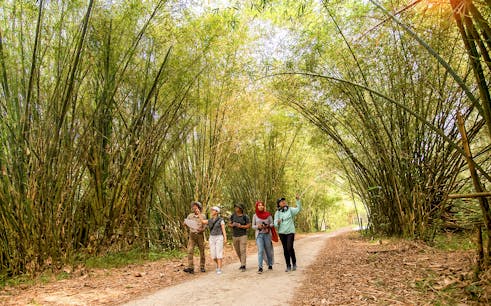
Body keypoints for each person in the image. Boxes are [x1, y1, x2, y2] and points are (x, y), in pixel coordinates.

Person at [274, 194, 302, 272]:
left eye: (284, 201)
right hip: (282, 233)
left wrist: (298, 200)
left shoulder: (290, 210)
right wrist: (278, 222)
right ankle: (288, 265)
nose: (283, 202)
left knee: (290, 247)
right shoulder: (277, 213)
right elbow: (275, 223)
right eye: (281, 201)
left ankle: (294, 263)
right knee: (285, 249)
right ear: (279, 204)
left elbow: (298, 209)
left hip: (290, 232)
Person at [198, 206, 227, 274]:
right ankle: (219, 264)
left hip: (219, 237)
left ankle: (219, 268)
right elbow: (202, 221)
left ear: (217, 212)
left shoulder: (221, 220)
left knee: (218, 253)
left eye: (213, 210)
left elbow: (223, 229)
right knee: (213, 255)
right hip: (212, 237)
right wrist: (199, 213)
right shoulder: (210, 220)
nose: (212, 211)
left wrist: (225, 238)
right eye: (212, 210)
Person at [183, 201, 206, 274]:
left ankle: (202, 266)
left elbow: (204, 227)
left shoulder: (203, 216)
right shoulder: (190, 215)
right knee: (190, 251)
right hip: (192, 235)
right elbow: (186, 224)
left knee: (202, 251)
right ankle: (190, 267)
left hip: (200, 235)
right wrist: (185, 223)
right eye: (193, 206)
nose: (194, 208)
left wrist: (201, 229)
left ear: (199, 207)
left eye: (195, 206)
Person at [252, 201, 274, 274]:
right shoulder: (255, 216)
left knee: (268, 250)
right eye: (259, 205)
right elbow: (253, 226)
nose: (261, 206)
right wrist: (258, 226)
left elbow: (272, 223)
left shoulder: (268, 215)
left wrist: (267, 226)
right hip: (259, 235)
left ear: (264, 207)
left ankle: (270, 264)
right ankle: (260, 267)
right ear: (257, 207)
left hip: (267, 234)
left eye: (262, 205)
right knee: (260, 250)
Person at [228, 203, 250, 271]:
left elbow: (248, 225)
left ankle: (243, 265)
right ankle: (242, 263)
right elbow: (229, 224)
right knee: (238, 251)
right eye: (235, 207)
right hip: (235, 236)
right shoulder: (233, 215)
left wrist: (241, 226)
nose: (236, 208)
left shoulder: (245, 216)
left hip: (243, 235)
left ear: (241, 209)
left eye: (237, 207)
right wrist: (233, 225)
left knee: (242, 250)